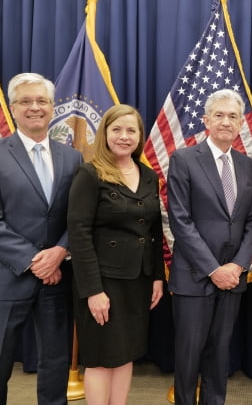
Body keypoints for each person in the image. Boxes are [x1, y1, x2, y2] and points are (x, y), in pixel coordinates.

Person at [0, 73, 82, 405]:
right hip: (5, 278)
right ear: (13, 109)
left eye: (42, 101)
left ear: (52, 107)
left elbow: (76, 216)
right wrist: (38, 261)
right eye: (26, 101)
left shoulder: (71, 157)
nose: (35, 107)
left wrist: (60, 251)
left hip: (55, 280)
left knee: (55, 366)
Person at [166, 89, 252, 405]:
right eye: (219, 115)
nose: (225, 121)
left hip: (232, 279)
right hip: (194, 276)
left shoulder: (247, 165)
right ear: (206, 120)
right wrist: (213, 269)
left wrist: (236, 266)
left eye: (232, 116)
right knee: (188, 355)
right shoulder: (184, 159)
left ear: (240, 123)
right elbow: (180, 220)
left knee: (220, 354)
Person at [66, 104, 165, 404]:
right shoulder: (90, 173)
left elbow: (154, 232)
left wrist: (158, 278)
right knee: (100, 357)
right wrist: (93, 290)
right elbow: (79, 234)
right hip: (103, 281)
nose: (124, 136)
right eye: (117, 129)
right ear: (104, 133)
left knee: (126, 353)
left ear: (140, 136)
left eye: (131, 130)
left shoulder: (148, 175)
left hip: (138, 280)